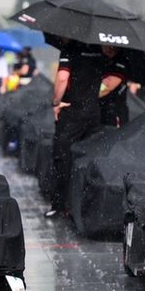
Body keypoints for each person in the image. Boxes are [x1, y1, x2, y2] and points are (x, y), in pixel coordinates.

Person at [46, 41, 104, 218]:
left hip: (72, 111)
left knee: (62, 158)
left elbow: (62, 78)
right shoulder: (99, 49)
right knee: (86, 159)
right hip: (94, 112)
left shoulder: (69, 50)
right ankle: (81, 207)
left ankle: (59, 205)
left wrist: (56, 102)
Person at [99, 46, 131, 128]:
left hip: (115, 108)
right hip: (101, 107)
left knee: (114, 136)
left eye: (106, 45)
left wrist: (88, 96)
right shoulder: (102, 59)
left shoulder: (121, 61)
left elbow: (108, 86)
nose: (104, 47)